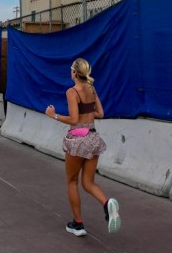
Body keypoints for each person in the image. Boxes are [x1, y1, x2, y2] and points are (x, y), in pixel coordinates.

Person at [45, 58, 121, 237]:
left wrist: (53, 115)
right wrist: (86, 113)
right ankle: (107, 202)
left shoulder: (72, 92)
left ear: (74, 72)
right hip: (93, 138)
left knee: (72, 181)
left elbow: (73, 120)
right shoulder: (92, 89)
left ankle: (78, 225)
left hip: (78, 139)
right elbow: (100, 113)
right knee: (88, 183)